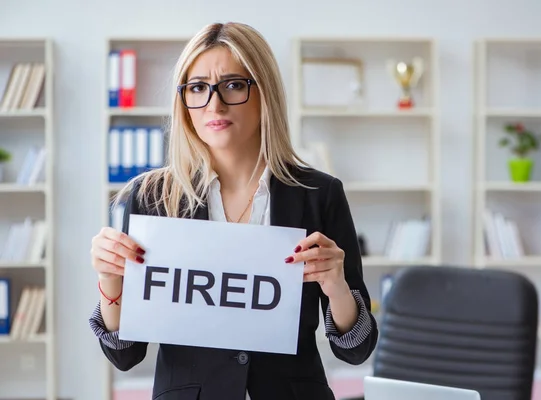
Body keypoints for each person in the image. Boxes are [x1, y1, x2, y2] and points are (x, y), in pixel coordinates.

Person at [89, 21, 378, 400]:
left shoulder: (319, 193)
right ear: (184, 101)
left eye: (233, 84)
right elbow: (125, 355)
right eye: (197, 88)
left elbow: (356, 349)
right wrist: (111, 280)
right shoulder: (151, 197)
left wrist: (337, 286)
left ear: (264, 92)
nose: (214, 103)